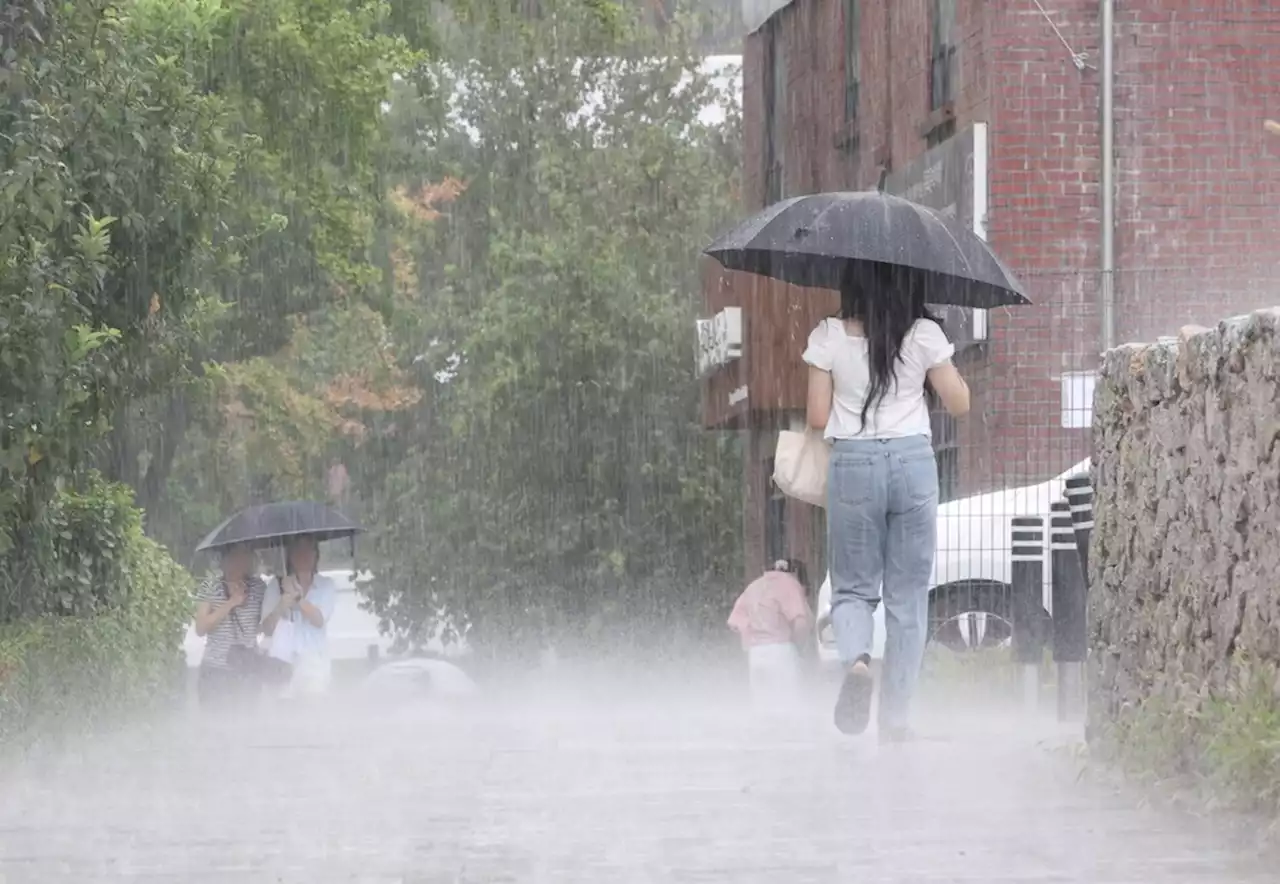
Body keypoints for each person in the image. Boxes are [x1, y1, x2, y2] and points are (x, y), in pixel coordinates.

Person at [803, 263, 970, 741]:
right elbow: (958, 403)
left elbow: (817, 415)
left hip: (853, 463)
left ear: (850, 284)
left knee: (853, 589)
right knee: (908, 598)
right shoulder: (923, 333)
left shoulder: (829, 335)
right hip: (913, 463)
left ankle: (857, 660)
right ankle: (896, 719)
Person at [727, 558, 814, 708]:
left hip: (755, 655)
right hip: (781, 651)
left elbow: (734, 621)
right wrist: (799, 647)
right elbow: (800, 622)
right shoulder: (789, 584)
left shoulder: (753, 586)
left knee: (762, 706)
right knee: (788, 706)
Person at [261, 534, 338, 698]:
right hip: (281, 664)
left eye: (308, 550)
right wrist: (282, 604)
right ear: (290, 555)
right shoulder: (276, 585)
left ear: (316, 555)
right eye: (298, 550)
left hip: (314, 666)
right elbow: (267, 629)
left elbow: (319, 619)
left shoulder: (326, 585)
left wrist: (298, 598)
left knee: (311, 716)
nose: (303, 555)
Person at [193, 543, 267, 707]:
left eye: (243, 556)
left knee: (246, 724)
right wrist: (231, 603)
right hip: (215, 671)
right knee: (215, 724)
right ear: (224, 559)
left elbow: (265, 625)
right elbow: (201, 628)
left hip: (248, 670)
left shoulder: (258, 588)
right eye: (234, 556)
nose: (239, 562)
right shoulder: (210, 586)